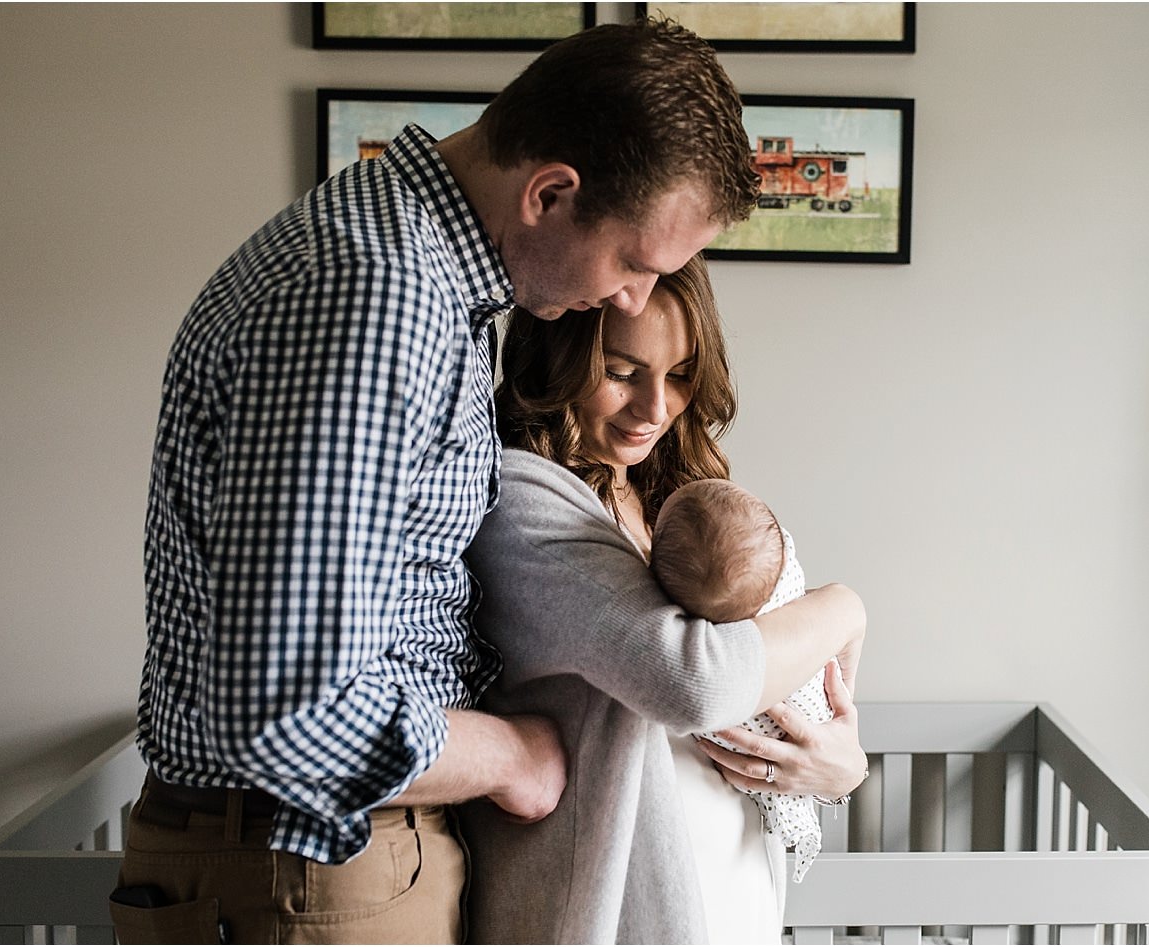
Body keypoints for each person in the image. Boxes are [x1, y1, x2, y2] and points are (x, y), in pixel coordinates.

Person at [115, 19, 757, 944]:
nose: (629, 299)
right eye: (631, 262)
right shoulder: (377, 296)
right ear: (550, 192)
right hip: (314, 863)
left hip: (320, 858)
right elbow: (292, 707)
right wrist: (513, 755)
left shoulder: (396, 266)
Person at [461, 257, 869, 944]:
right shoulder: (523, 500)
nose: (655, 409)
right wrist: (846, 606)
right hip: (624, 906)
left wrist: (839, 766)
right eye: (621, 372)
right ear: (556, 356)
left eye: (679, 374)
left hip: (735, 888)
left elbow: (774, 680)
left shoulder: (671, 495)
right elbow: (696, 676)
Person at [655, 479, 843, 889]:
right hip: (699, 858)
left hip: (744, 850)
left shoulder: (725, 549)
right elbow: (704, 683)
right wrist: (844, 607)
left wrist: (846, 770)